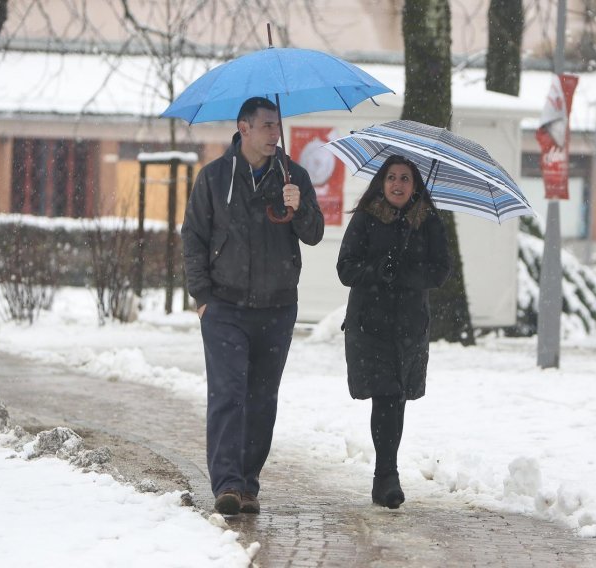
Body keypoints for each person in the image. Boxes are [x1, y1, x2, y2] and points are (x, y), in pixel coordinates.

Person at [181, 97, 324, 515]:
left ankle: (247, 483)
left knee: (263, 399)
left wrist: (299, 208)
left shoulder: (293, 175)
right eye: (265, 126)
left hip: (277, 308)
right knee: (228, 394)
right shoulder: (214, 177)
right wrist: (202, 296)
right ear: (243, 129)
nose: (273, 134)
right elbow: (193, 236)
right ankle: (226, 483)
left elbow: (314, 234)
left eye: (277, 126)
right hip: (224, 306)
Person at [336, 155, 451, 509]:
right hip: (369, 325)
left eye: (405, 178)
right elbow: (346, 269)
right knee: (385, 394)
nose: (397, 184)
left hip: (408, 327)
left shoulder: (428, 221)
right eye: (391, 178)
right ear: (381, 183)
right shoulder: (367, 217)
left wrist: (403, 272)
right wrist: (377, 270)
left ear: (415, 184)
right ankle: (387, 475)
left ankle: (385, 473)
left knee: (396, 397)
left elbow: (439, 272)